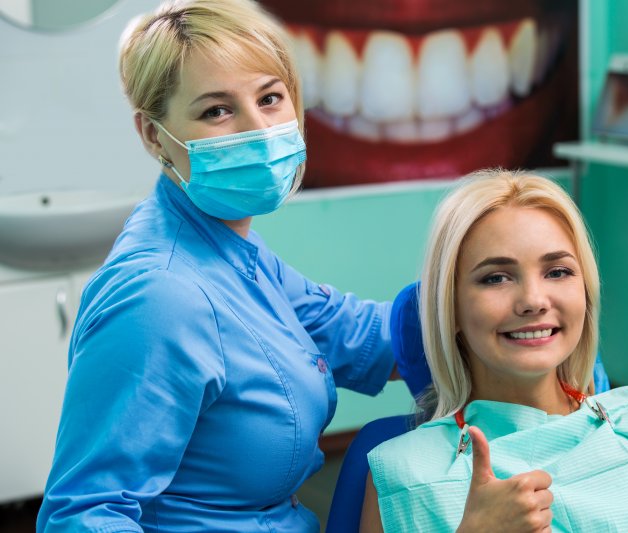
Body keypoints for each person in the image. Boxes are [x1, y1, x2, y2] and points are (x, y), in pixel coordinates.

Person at [37, 1, 399, 531]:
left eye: (271, 98)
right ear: (154, 135)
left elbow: (352, 332)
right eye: (217, 111)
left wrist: (486, 309)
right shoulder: (159, 295)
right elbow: (84, 514)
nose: (259, 128)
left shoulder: (231, 252)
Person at [361, 170, 628, 532]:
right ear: (452, 308)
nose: (533, 300)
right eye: (496, 278)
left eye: (557, 272)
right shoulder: (401, 473)